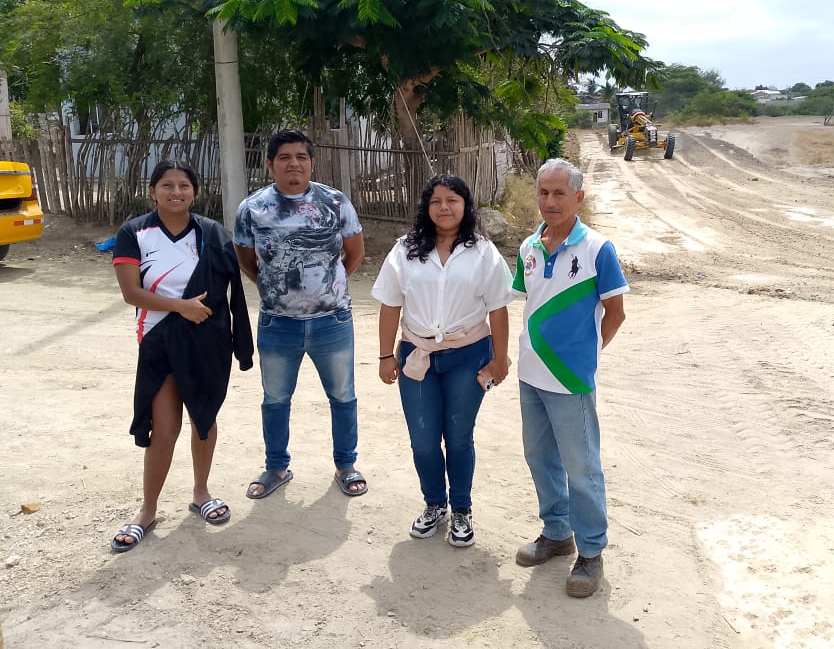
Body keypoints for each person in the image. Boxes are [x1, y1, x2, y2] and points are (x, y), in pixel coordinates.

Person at [110, 160, 254, 553]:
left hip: (207, 341)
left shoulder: (211, 233)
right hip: (158, 342)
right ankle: (147, 511)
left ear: (194, 191)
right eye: (168, 185)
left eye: (184, 186)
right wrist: (180, 307)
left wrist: (236, 340)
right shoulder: (134, 233)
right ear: (153, 191)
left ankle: (201, 492)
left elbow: (232, 292)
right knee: (164, 427)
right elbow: (131, 293)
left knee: (204, 419)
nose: (176, 192)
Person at [372, 174, 512, 547]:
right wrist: (386, 355)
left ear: (466, 205)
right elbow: (390, 304)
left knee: (459, 436)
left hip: (468, 355)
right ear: (426, 207)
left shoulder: (483, 252)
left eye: (452, 200)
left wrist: (500, 359)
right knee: (423, 440)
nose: (444, 207)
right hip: (416, 355)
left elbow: (498, 308)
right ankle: (435, 504)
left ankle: (462, 510)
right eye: (436, 201)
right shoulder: (405, 250)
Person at [511, 158, 627, 597]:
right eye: (544, 192)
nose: (550, 201)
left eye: (560, 193)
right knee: (540, 458)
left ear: (578, 197)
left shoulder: (598, 249)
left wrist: (587, 354)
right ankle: (557, 533)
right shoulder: (529, 247)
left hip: (570, 381)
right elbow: (523, 299)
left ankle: (591, 551)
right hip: (530, 375)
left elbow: (615, 313)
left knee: (582, 468)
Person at [234, 130, 367, 499]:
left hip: (332, 321)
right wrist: (275, 288)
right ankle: (276, 467)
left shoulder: (335, 203)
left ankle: (346, 465)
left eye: (301, 157)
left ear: (312, 162)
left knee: (343, 395)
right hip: (277, 323)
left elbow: (355, 253)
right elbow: (246, 258)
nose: (293, 163)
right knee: (275, 398)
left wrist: (327, 288)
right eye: (284, 157)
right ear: (269, 164)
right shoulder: (252, 208)